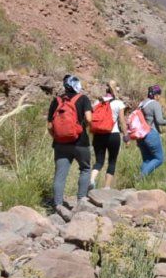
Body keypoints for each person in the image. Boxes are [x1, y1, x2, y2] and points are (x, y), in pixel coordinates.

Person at [47, 74, 93, 219]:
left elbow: (49, 125)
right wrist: (86, 128)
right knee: (85, 169)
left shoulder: (57, 100)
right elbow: (89, 119)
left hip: (60, 144)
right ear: (76, 84)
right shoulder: (83, 98)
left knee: (60, 175)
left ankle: (58, 206)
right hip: (80, 142)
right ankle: (80, 201)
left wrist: (57, 136)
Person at [90, 80, 127, 189]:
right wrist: (126, 136)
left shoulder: (97, 102)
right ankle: (106, 187)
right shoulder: (119, 103)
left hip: (98, 135)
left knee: (99, 161)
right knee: (112, 161)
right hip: (113, 135)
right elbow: (122, 121)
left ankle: (91, 180)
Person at [134, 84, 166, 177]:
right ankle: (140, 177)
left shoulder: (142, 103)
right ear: (156, 95)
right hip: (151, 134)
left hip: (140, 136)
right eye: (159, 95)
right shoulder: (155, 104)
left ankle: (140, 183)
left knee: (147, 160)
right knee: (159, 159)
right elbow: (159, 120)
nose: (159, 97)